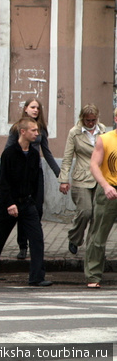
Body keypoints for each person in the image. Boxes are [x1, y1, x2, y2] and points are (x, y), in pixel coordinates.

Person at [0, 117, 51, 287]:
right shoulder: (9, 153)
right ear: (23, 132)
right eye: (33, 130)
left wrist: (34, 202)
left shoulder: (33, 154)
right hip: (8, 204)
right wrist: (10, 203)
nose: (37, 134)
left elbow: (35, 180)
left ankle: (37, 277)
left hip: (27, 204)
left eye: (37, 130)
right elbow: (3, 182)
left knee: (37, 239)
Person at [6, 98, 60, 259]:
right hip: (20, 175)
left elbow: (47, 153)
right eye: (33, 107)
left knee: (37, 209)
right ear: (25, 109)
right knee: (23, 210)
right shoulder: (17, 129)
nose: (36, 110)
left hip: (36, 173)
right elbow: (8, 150)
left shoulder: (40, 130)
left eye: (38, 107)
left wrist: (60, 174)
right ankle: (23, 246)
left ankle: (34, 242)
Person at [59, 104, 106, 257]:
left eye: (93, 120)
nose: (91, 123)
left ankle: (93, 249)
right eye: (88, 120)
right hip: (82, 177)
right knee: (85, 211)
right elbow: (67, 158)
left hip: (100, 177)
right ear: (82, 118)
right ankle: (74, 238)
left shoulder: (103, 130)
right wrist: (64, 179)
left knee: (97, 215)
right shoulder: (75, 132)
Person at [84, 106, 117, 288]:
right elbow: (94, 166)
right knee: (99, 234)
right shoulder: (104, 140)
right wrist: (105, 186)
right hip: (109, 191)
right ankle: (93, 275)